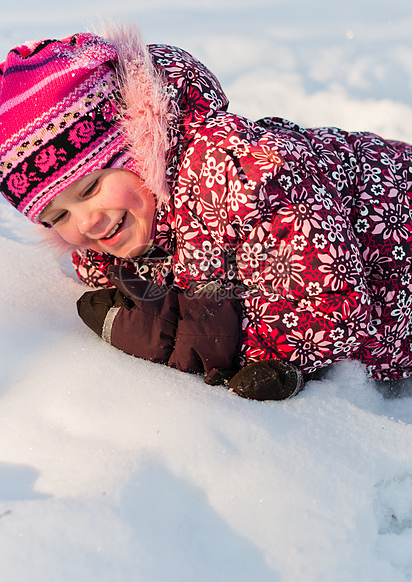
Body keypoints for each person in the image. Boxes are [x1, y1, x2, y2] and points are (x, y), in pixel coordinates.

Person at [1, 25, 411, 401]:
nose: (85, 221)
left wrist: (215, 340)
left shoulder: (235, 174)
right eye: (56, 216)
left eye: (90, 188)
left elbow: (333, 305)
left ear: (140, 149)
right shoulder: (123, 228)